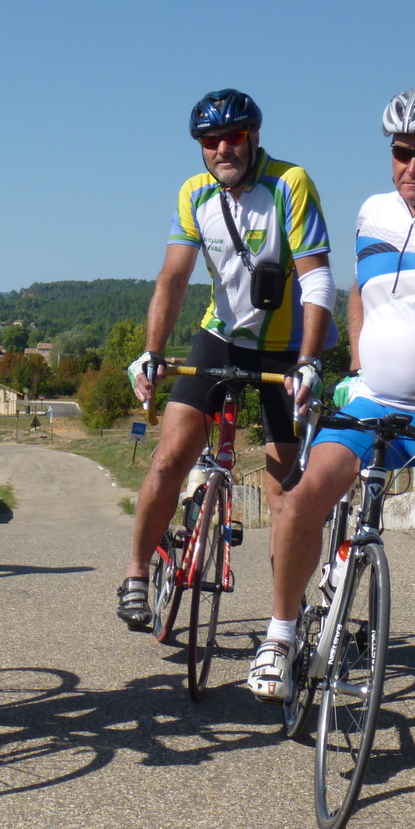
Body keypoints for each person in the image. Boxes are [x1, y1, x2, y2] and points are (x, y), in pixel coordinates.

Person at [251, 86, 415, 795]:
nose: (412, 166)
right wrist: (354, 368)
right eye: (401, 152)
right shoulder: (372, 211)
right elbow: (361, 293)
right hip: (372, 403)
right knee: (301, 500)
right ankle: (280, 636)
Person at [115, 89, 337, 630]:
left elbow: (318, 277)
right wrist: (151, 352)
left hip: (285, 348)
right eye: (210, 141)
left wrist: (309, 360)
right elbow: (172, 278)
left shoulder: (290, 184)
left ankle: (288, 619)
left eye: (233, 136)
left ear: (254, 137)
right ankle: (137, 574)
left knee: (285, 492)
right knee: (170, 458)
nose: (222, 149)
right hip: (220, 338)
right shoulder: (195, 193)